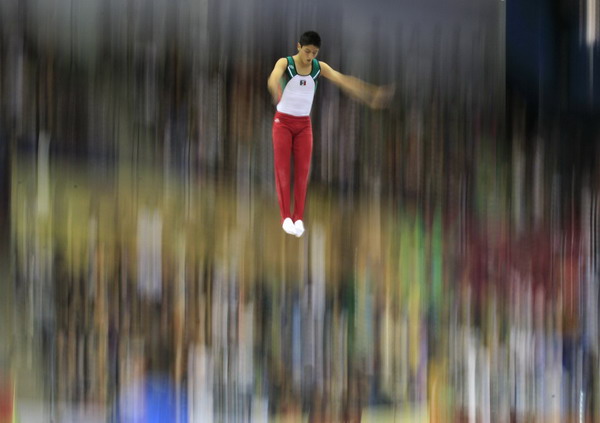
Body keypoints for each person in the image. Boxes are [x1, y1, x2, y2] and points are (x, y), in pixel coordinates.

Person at [267, 30, 393, 237]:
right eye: (307, 51)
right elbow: (273, 77)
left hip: (303, 126)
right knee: (283, 170)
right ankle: (285, 217)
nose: (309, 57)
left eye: (314, 53)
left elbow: (345, 81)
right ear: (298, 47)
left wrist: (371, 94)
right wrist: (274, 89)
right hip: (282, 123)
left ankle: (298, 217)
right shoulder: (286, 63)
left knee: (302, 173)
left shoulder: (319, 68)